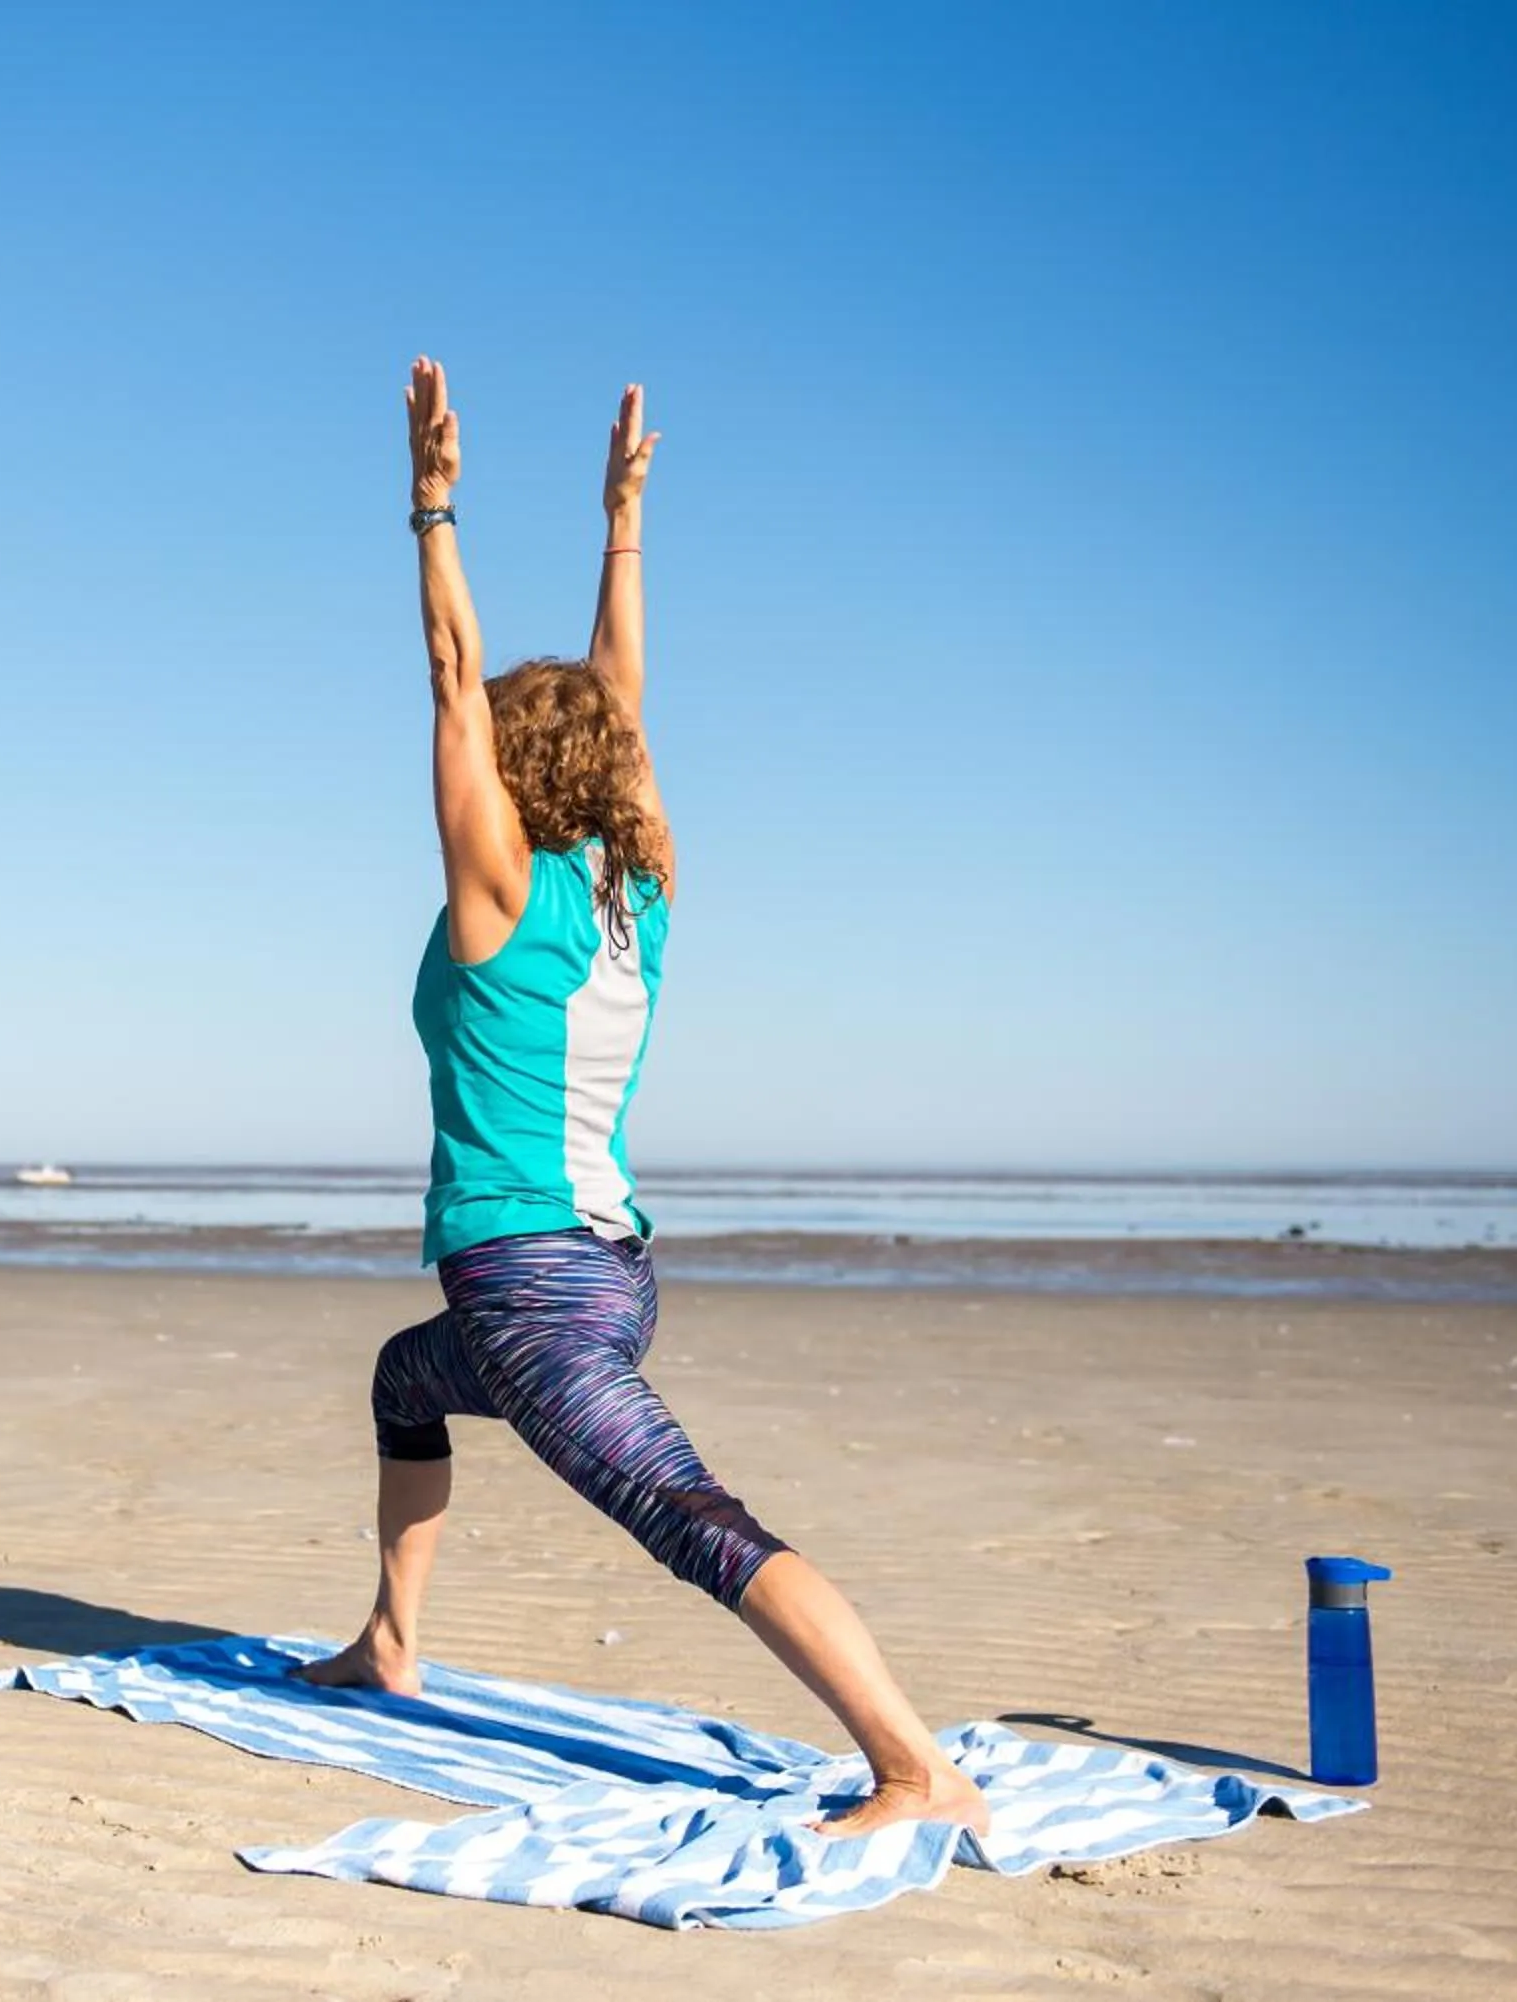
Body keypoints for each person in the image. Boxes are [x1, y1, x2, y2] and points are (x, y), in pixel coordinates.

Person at [294, 357, 990, 1842]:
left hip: (536, 1289)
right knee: (408, 1383)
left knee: (694, 1519)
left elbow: (446, 666)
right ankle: (391, 1643)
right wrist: (622, 525)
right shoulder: (640, 893)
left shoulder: (493, 894)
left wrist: (432, 509)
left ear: (506, 766)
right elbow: (627, 704)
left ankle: (913, 1762)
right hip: (605, 1279)